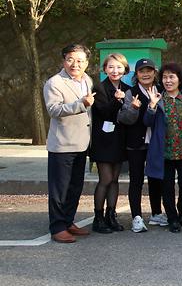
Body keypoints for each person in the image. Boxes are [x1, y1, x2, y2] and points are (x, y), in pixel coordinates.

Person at [44, 44, 95, 244]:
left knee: (75, 186)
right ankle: (57, 227)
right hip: (63, 144)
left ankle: (68, 221)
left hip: (82, 143)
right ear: (63, 60)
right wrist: (81, 104)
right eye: (71, 59)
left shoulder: (87, 80)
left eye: (80, 60)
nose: (75, 64)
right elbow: (54, 110)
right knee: (60, 188)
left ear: (86, 63)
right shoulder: (54, 83)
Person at [143, 63, 182, 234]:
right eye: (165, 77)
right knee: (166, 188)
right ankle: (172, 218)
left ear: (179, 79)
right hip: (164, 153)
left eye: (171, 77)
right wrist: (151, 106)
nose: (168, 81)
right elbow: (147, 122)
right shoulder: (158, 100)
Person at [118, 58, 166, 233]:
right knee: (136, 180)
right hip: (136, 143)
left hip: (156, 143)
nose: (145, 74)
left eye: (149, 70)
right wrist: (133, 108)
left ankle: (156, 213)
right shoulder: (131, 92)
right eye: (141, 71)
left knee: (156, 179)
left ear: (155, 72)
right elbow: (124, 119)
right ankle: (136, 217)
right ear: (136, 74)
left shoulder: (161, 90)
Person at [90, 53, 131, 234]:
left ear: (125, 69)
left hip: (120, 140)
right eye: (111, 67)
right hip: (103, 141)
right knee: (105, 179)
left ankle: (111, 215)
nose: (115, 71)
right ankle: (98, 218)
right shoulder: (99, 88)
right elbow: (105, 112)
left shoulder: (128, 88)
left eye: (119, 67)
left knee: (115, 180)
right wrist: (116, 100)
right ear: (105, 69)